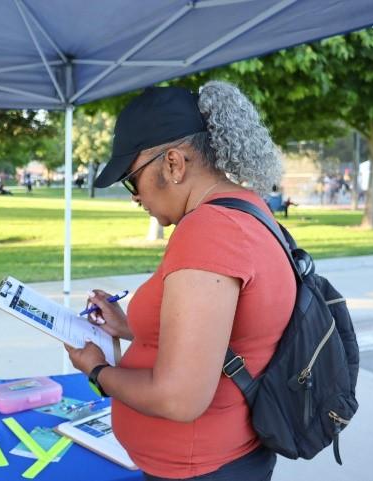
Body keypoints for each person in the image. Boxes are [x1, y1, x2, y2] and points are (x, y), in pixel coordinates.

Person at [65, 83, 296, 481]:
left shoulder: (209, 230)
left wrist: (97, 370)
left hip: (201, 467)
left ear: (173, 164)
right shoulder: (246, 210)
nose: (134, 197)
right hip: (225, 457)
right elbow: (221, 333)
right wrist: (128, 326)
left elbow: (179, 398)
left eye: (131, 179)